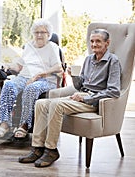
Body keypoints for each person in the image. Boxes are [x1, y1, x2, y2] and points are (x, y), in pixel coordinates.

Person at [18, 29, 122, 167]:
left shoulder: (112, 61)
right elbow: (81, 85)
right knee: (41, 103)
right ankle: (37, 148)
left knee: (56, 105)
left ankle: (51, 150)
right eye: (92, 41)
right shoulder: (89, 59)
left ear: (107, 43)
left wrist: (86, 99)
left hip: (94, 100)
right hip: (81, 95)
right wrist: (74, 76)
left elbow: (114, 91)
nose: (94, 44)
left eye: (98, 41)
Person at [0, 19, 63, 139]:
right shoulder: (29, 46)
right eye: (36, 32)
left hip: (44, 80)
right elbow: (19, 66)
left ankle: (24, 125)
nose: (39, 35)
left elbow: (58, 67)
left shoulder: (52, 47)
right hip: (24, 77)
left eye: (43, 32)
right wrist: (9, 66)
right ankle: (5, 124)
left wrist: (39, 75)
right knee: (8, 85)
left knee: (31, 88)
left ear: (48, 34)